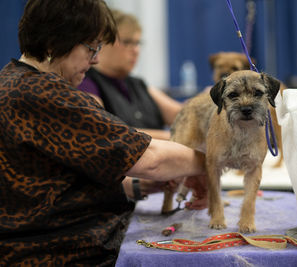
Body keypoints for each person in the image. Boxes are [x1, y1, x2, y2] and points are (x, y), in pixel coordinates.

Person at [0, 0, 205, 266]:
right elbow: (151, 158)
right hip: (60, 256)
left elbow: (60, 182)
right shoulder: (44, 94)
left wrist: (141, 186)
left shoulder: (12, 80)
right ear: (56, 39)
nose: (95, 59)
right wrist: (208, 162)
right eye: (90, 47)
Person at [78, 9, 182, 141]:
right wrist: (174, 137)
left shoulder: (138, 84)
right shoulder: (85, 82)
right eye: (127, 42)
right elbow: (103, 128)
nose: (136, 50)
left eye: (138, 43)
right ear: (101, 43)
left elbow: (185, 116)